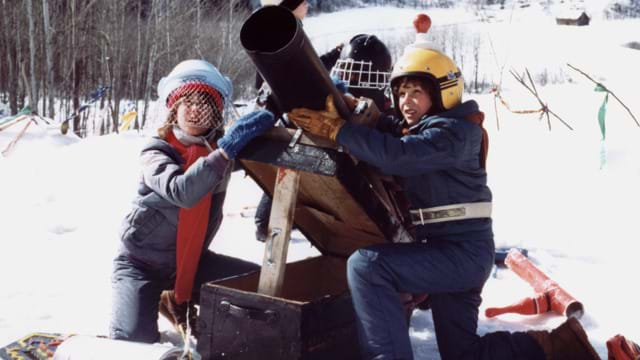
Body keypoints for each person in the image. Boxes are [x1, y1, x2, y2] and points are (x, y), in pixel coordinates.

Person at [288, 14, 602, 360]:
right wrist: (352, 111)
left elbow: (398, 156)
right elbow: (392, 139)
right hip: (455, 253)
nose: (406, 101)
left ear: (441, 93)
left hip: (460, 255)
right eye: (401, 92)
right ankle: (556, 347)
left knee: (368, 265)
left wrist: (339, 131)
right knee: (463, 353)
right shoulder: (432, 132)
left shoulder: (455, 134)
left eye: (417, 92)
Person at [109, 59, 275, 343]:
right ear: (174, 109)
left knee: (262, 285)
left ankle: (184, 305)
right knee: (133, 343)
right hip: (140, 264)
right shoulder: (156, 151)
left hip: (191, 263)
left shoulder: (219, 152)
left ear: (216, 113)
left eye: (205, 102)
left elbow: (263, 146)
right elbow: (182, 191)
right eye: (187, 101)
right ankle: (164, 297)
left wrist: (288, 111)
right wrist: (225, 151)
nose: (196, 109)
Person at [252, 0, 344, 243]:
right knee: (287, 166)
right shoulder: (283, 34)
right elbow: (302, 72)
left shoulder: (278, 30)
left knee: (289, 166)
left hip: (287, 107)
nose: (308, 4)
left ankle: (272, 220)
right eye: (302, 1)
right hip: (289, 110)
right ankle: (264, 222)